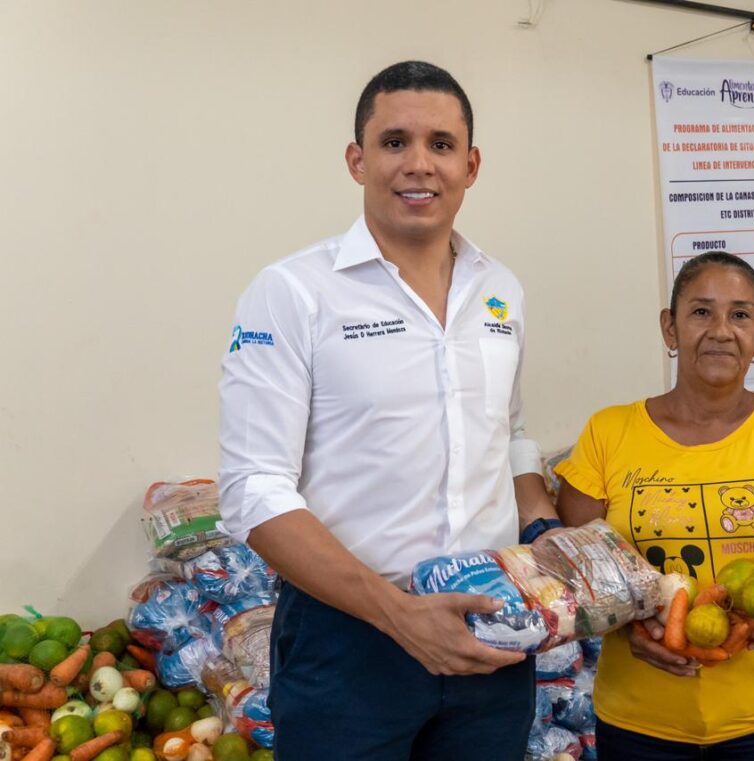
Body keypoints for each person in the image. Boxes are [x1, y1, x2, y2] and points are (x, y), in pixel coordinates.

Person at [218, 61, 560, 760]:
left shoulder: (501, 290)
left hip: (492, 627)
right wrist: (400, 615)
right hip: (350, 642)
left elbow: (511, 434)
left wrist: (546, 533)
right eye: (394, 141)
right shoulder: (292, 291)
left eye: (440, 145)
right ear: (357, 159)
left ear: (471, 164)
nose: (418, 165)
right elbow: (253, 487)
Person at [554, 251, 754, 760]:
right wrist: (633, 626)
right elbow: (575, 573)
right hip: (638, 721)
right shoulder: (609, 432)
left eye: (740, 315)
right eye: (701, 312)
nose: (721, 330)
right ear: (669, 328)